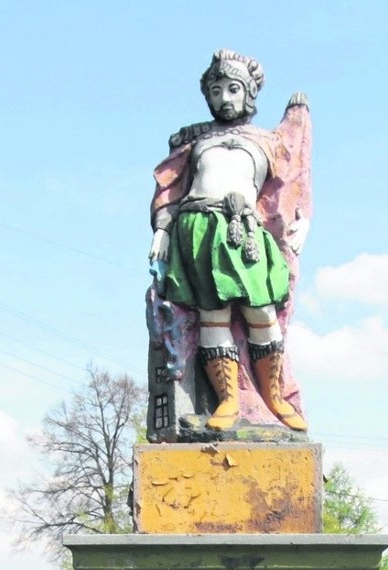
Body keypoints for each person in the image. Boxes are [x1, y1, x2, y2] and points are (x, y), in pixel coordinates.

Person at [149, 48, 312, 433]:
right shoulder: (194, 140)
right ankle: (227, 400)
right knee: (212, 315)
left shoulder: (267, 142)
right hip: (197, 229)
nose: (224, 98)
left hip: (244, 229)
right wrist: (162, 230)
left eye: (233, 89)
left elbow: (292, 181)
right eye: (217, 90)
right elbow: (170, 190)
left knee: (261, 312)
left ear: (248, 94)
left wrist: (302, 218)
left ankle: (273, 399)